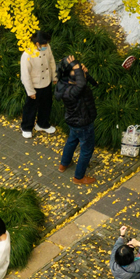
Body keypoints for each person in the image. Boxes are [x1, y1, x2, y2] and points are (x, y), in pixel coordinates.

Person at [55, 55, 98, 185]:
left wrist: (82, 71)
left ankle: (64, 164)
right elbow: (82, 84)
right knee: (86, 150)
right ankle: (78, 177)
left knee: (72, 141)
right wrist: (78, 70)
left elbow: (92, 83)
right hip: (83, 122)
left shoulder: (64, 82)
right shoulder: (72, 90)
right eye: (75, 69)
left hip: (74, 121)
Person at [20, 30, 57, 139]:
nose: (46, 46)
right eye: (44, 44)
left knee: (46, 104)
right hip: (35, 85)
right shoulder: (27, 54)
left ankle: (42, 124)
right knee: (31, 108)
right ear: (37, 44)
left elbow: (51, 61)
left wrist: (54, 76)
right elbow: (25, 75)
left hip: (46, 82)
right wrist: (30, 91)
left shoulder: (47, 47)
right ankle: (26, 127)